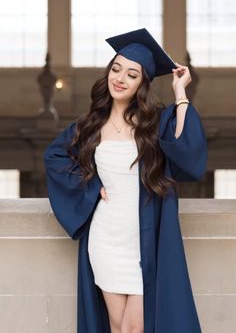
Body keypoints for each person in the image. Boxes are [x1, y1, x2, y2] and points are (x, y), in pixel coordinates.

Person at [44, 28, 208, 333]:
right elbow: (54, 159)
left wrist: (181, 92)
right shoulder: (90, 125)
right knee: (118, 328)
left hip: (143, 238)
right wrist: (90, 186)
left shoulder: (154, 123)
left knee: (136, 327)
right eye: (116, 69)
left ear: (141, 84)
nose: (120, 78)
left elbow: (188, 150)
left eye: (132, 75)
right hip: (106, 237)